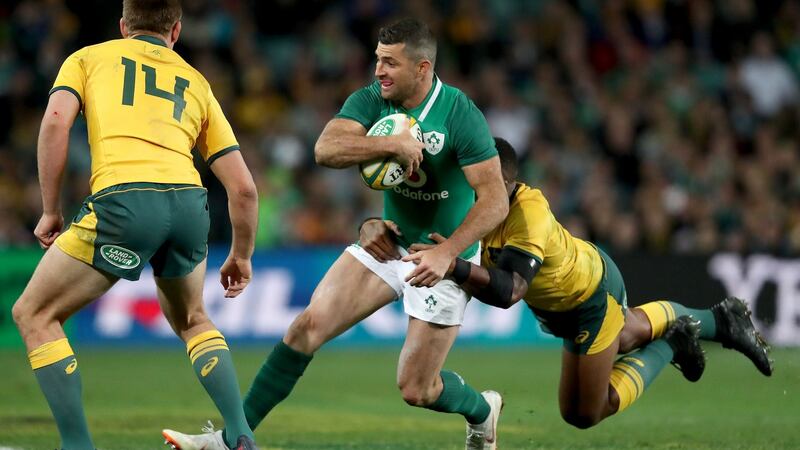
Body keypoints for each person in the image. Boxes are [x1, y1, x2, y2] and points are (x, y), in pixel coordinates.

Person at [162, 18, 509, 450]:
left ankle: (482, 410)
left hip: (442, 257)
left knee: (417, 389)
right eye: (377, 60)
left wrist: (451, 253)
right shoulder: (371, 100)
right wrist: (389, 146)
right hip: (391, 242)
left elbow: (495, 200)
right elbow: (325, 149)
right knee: (305, 328)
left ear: (422, 69)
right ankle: (233, 439)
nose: (378, 70)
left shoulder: (458, 112)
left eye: (390, 63)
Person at [360, 137, 773, 429]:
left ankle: (675, 341)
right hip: (565, 297)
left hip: (588, 298)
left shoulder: (529, 214)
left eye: (481, 185)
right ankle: (714, 321)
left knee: (585, 413)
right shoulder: (474, 209)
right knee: (628, 335)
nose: (472, 194)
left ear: (503, 185)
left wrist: (453, 266)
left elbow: (510, 291)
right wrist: (373, 225)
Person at [11, 1, 259, 449]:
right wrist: (241, 255)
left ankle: (77, 445)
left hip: (125, 200)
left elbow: (54, 122)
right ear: (177, 30)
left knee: (34, 314)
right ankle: (240, 435)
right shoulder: (197, 82)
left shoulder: (88, 58)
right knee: (193, 319)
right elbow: (243, 188)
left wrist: (50, 209)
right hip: (188, 205)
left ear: (123, 26)